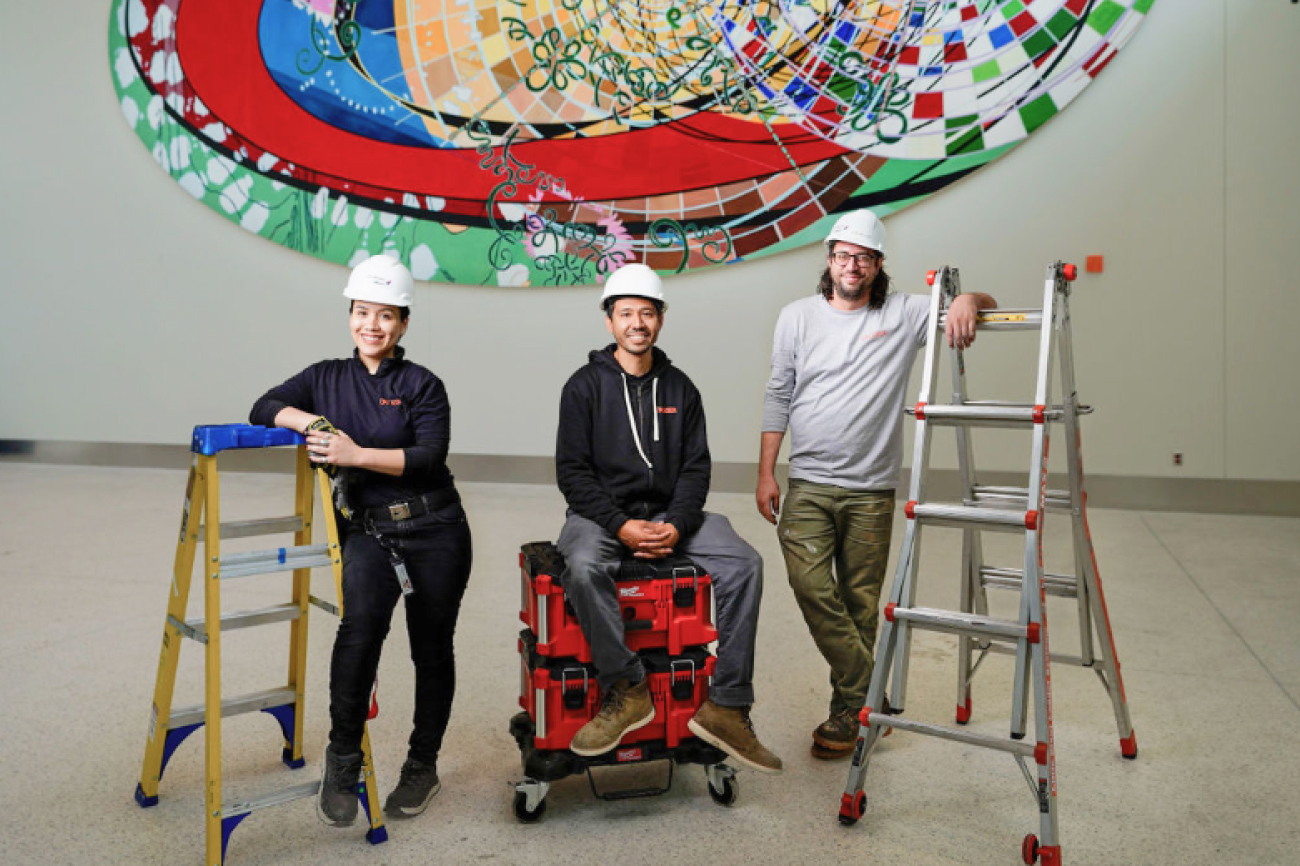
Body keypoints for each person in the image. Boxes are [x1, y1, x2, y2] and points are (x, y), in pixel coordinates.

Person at [756, 210, 996, 759]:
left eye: (863, 257)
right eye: (843, 255)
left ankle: (850, 713)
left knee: (861, 603)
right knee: (813, 587)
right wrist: (766, 471)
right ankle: (871, 695)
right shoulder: (796, 317)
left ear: (878, 264)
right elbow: (778, 394)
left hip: (871, 489)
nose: (852, 265)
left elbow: (985, 301)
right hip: (809, 482)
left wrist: (966, 301)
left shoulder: (906, 312)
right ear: (830, 258)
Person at [249, 254, 473, 825]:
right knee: (359, 632)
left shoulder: (422, 383)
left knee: (431, 648)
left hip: (436, 527)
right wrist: (313, 424)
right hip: (372, 531)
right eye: (363, 312)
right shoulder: (324, 379)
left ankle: (423, 765)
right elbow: (263, 406)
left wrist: (354, 455)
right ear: (351, 314)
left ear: (402, 324)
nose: (372, 326)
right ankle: (343, 756)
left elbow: (429, 456)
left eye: (386, 316)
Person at [554, 262, 783, 774]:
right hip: (602, 517)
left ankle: (727, 702)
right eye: (627, 313)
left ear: (661, 320)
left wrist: (678, 524)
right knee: (584, 565)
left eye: (648, 313)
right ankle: (629, 687)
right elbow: (572, 474)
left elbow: (697, 470)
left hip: (670, 515)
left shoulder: (681, 388)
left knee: (745, 563)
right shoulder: (583, 387)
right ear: (609, 322)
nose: (638, 322)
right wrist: (619, 525)